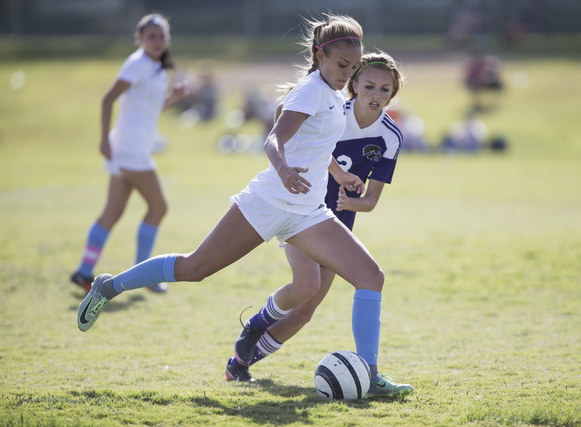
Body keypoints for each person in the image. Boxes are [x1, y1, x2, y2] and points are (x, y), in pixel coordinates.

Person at [77, 14, 410, 397]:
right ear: (320, 57)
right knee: (194, 267)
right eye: (342, 66)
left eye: (353, 67)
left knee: (371, 277)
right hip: (268, 201)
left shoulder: (337, 95)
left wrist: (337, 173)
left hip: (308, 212)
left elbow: (317, 146)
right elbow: (274, 140)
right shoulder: (310, 91)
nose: (347, 74)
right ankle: (109, 285)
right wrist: (284, 170)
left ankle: (369, 373)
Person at [224, 52, 413, 399]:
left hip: (336, 224)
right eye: (368, 85)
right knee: (305, 285)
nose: (375, 94)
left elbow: (369, 202)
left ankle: (240, 362)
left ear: (393, 94)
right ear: (353, 84)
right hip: (299, 209)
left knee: (305, 309)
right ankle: (253, 329)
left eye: (384, 90)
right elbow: (284, 118)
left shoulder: (390, 137)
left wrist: (350, 201)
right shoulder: (331, 108)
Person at [70, 14, 188, 295]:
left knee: (113, 211)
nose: (157, 41)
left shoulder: (155, 66)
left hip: (131, 145)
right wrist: (102, 140)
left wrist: (174, 97)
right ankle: (142, 274)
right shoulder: (137, 63)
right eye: (151, 36)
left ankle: (84, 272)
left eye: (162, 36)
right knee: (159, 207)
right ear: (139, 39)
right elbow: (107, 99)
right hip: (130, 147)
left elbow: (149, 111)